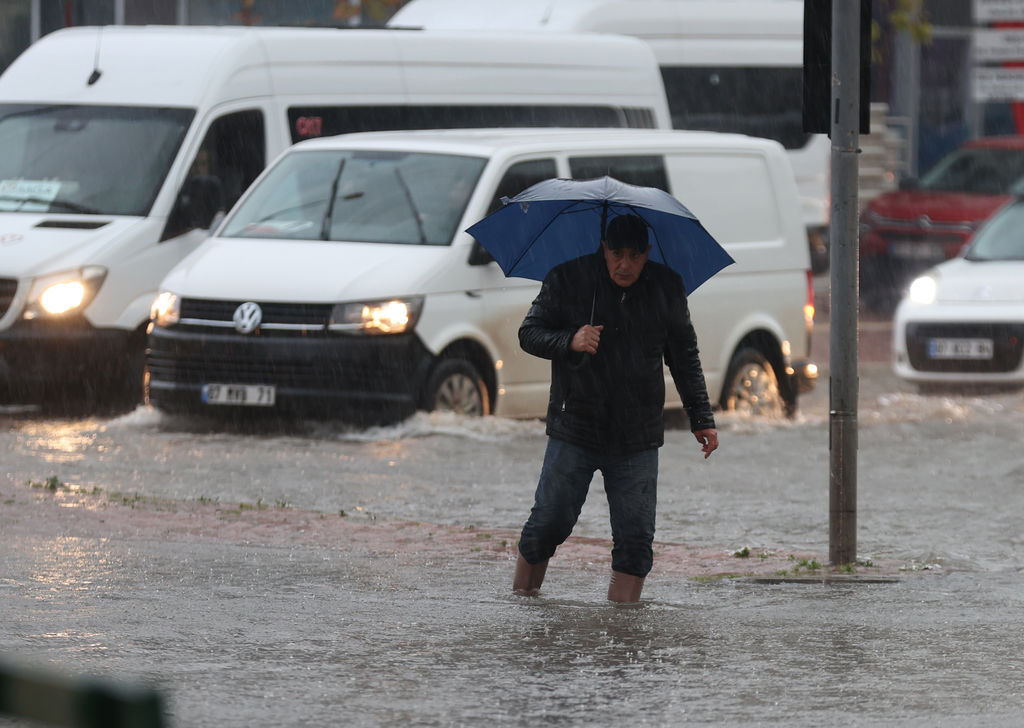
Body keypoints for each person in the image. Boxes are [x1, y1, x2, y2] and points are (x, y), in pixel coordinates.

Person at [512, 212, 719, 603]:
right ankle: (522, 602)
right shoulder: (567, 278)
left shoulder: (667, 287)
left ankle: (623, 629)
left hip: (637, 434)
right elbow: (529, 333)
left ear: (648, 253)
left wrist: (702, 418)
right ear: (603, 248)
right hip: (575, 425)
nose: (624, 264)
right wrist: (570, 340)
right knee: (549, 523)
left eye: (634, 256)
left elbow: (685, 357)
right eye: (616, 254)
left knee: (636, 538)